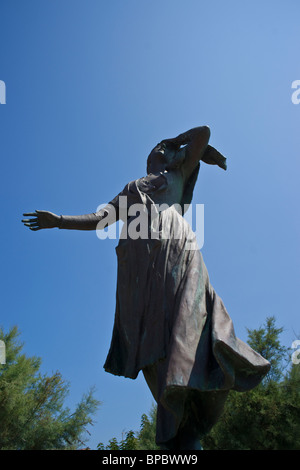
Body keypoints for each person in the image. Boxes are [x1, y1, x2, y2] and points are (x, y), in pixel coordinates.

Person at [22, 126, 270, 450]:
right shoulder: (131, 189)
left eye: (164, 146)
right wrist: (59, 220)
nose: (159, 147)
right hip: (139, 273)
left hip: (178, 248)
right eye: (157, 145)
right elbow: (99, 219)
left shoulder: (178, 169)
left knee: (189, 321)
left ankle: (191, 411)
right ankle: (176, 429)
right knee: (157, 342)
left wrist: (174, 142)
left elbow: (202, 134)